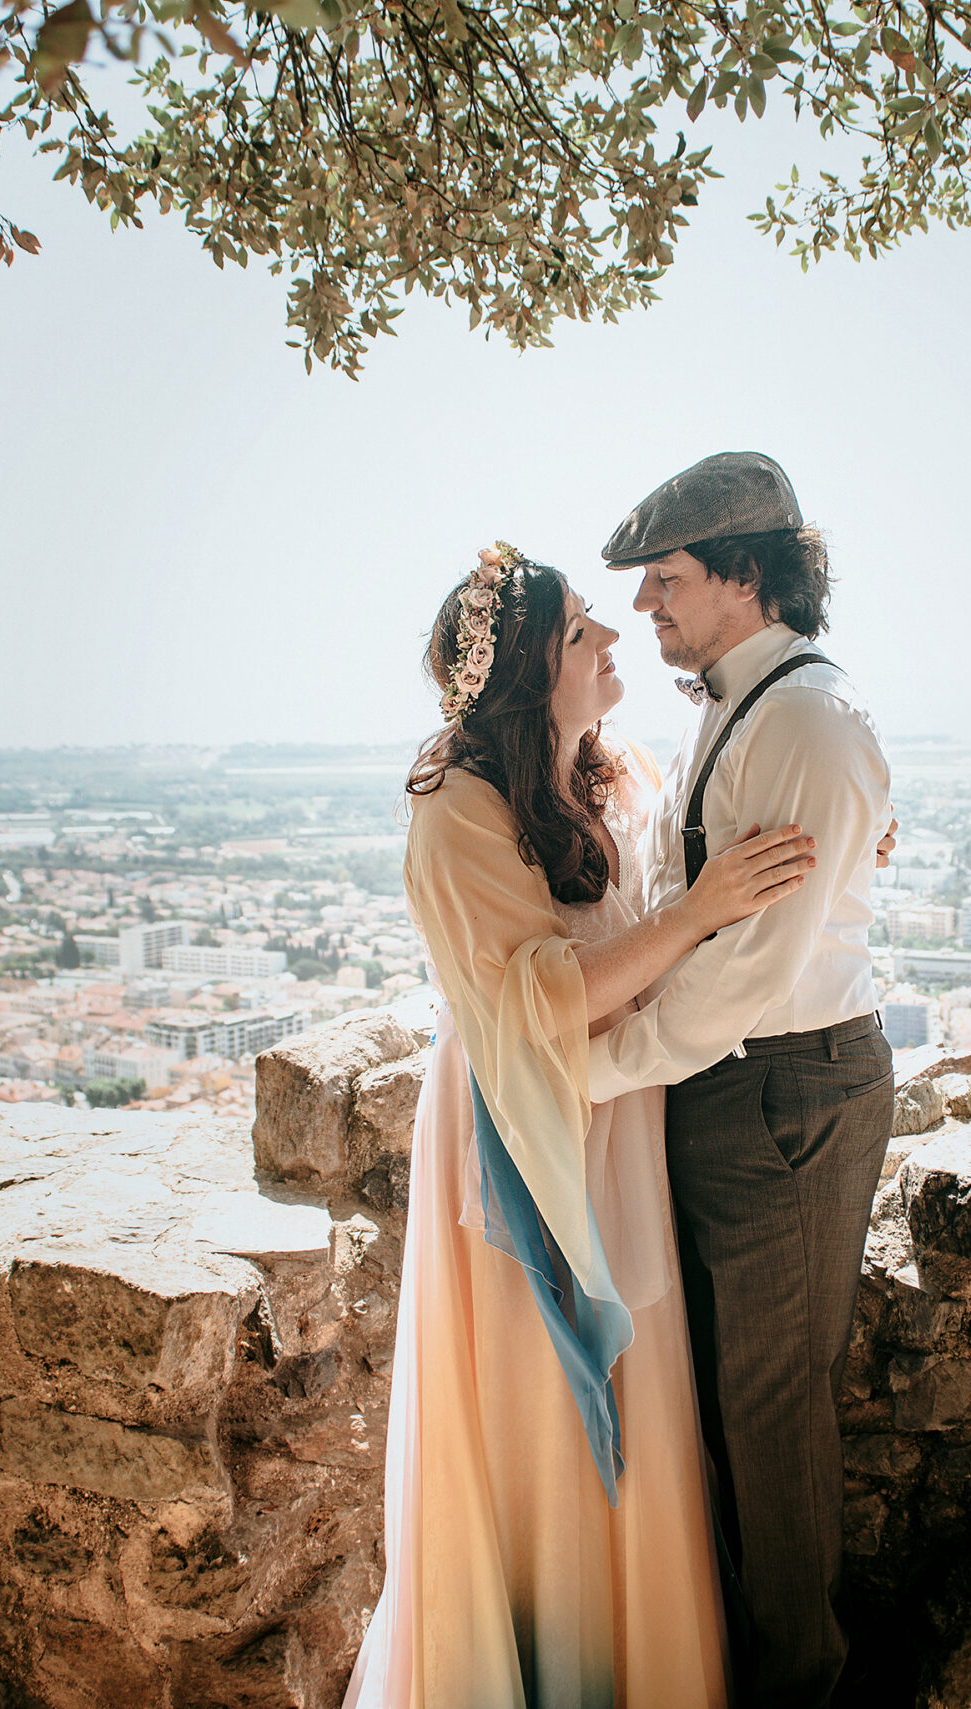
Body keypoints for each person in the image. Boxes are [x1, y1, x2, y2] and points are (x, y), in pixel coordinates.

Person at [346, 541, 823, 1709]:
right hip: (524, 1132)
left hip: (623, 1119)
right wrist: (706, 908)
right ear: (522, 674)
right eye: (578, 634)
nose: (614, 639)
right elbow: (530, 992)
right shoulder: (457, 805)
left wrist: (839, 835)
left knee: (642, 1409)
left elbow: (702, 862)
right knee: (539, 1421)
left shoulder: (616, 772)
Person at [591, 453, 896, 1709]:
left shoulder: (808, 722)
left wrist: (601, 1059)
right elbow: (688, 908)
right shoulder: (731, 707)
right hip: (730, 1085)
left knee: (769, 1415)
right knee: (718, 1405)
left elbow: (749, 975)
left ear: (746, 574)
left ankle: (801, 1686)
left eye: (667, 579)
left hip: (781, 1089)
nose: (646, 606)